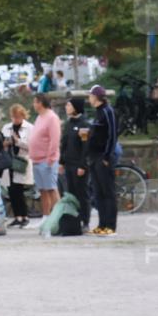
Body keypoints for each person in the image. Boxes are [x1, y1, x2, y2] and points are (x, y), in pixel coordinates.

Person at [86, 84, 118, 236]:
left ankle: (111, 225)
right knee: (98, 193)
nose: (89, 98)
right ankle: (102, 223)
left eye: (90, 95)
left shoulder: (107, 111)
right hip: (93, 157)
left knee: (108, 192)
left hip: (103, 157)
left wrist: (107, 156)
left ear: (96, 97)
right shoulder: (97, 113)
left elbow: (112, 135)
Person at [60, 97, 91, 231]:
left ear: (76, 107)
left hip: (79, 165)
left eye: (69, 105)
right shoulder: (68, 124)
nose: (66, 108)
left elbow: (86, 147)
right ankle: (74, 221)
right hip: (69, 164)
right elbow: (64, 144)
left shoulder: (84, 124)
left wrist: (83, 165)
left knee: (82, 193)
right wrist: (61, 162)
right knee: (71, 193)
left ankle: (85, 221)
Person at [29, 93, 62, 217]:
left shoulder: (52, 117)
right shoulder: (39, 117)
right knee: (42, 190)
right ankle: (46, 216)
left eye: (35, 102)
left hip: (47, 160)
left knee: (51, 189)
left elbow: (54, 139)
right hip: (36, 160)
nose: (33, 104)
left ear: (40, 103)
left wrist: (51, 158)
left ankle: (60, 217)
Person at [2, 104, 34, 228]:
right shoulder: (6, 127)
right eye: (13, 117)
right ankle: (17, 216)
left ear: (23, 116)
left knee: (19, 189)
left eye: (18, 117)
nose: (15, 120)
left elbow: (32, 146)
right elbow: (2, 143)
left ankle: (24, 216)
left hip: (21, 161)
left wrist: (18, 142)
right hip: (9, 161)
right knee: (11, 190)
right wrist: (6, 143)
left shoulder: (30, 128)